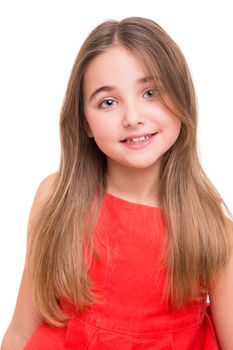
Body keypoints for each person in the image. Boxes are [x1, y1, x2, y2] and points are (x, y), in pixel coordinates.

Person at [1, 16, 233, 350]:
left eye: (150, 92)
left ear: (181, 100)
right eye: (108, 102)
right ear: (85, 122)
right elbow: (21, 333)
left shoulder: (212, 232)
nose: (132, 117)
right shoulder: (56, 201)